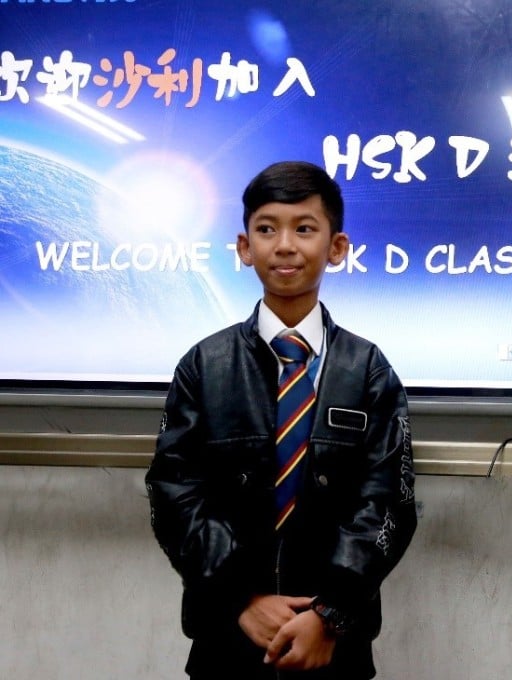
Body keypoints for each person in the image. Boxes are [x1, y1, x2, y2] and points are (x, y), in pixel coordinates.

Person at [145, 160, 417, 679]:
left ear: (336, 247)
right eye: (266, 228)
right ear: (244, 247)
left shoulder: (369, 371)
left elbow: (387, 505)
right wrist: (241, 599)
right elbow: (173, 493)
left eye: (305, 228)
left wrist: (328, 615)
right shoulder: (204, 365)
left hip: (334, 648)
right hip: (226, 636)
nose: (285, 245)